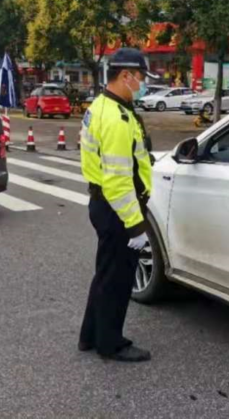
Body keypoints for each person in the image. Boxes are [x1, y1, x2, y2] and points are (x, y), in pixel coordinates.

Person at [79, 48, 158, 362]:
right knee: (117, 280)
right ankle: (111, 344)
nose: (142, 84)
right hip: (117, 209)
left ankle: (90, 335)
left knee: (105, 274)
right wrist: (136, 225)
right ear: (126, 76)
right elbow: (118, 180)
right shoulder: (117, 118)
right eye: (140, 78)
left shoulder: (101, 105)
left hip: (102, 203)